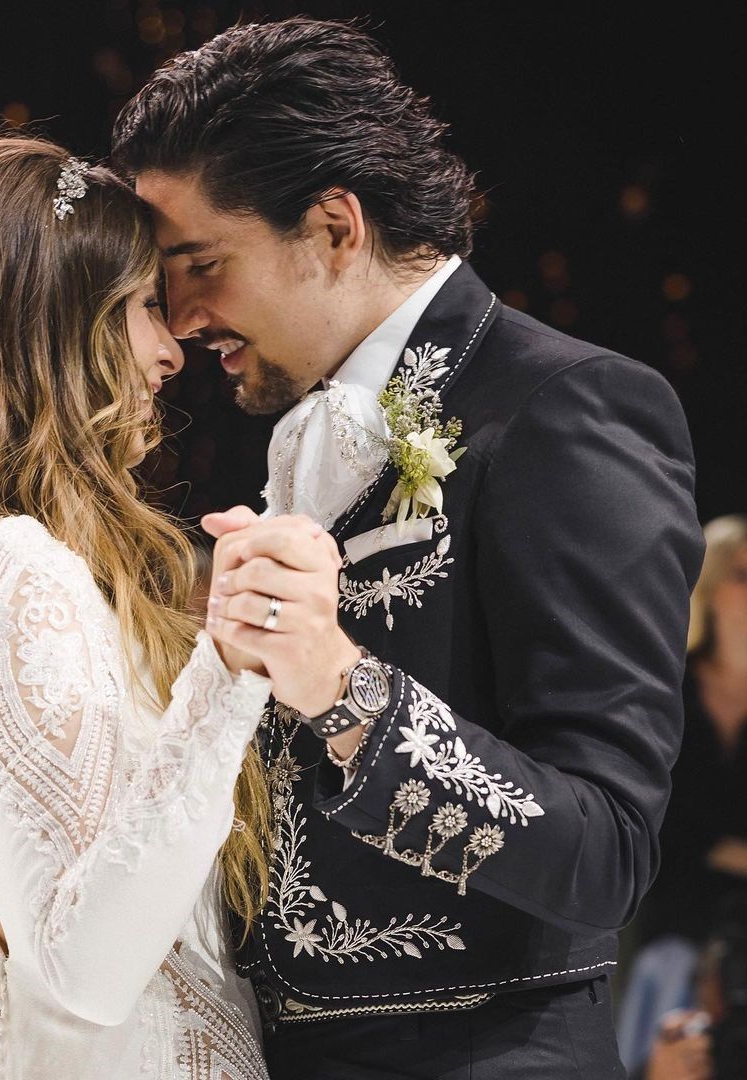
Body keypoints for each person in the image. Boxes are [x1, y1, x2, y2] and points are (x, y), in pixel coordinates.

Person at [112, 17, 705, 1078]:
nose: (181, 313)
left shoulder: (566, 409)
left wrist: (344, 690)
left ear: (336, 226)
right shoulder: (295, 431)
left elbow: (608, 853)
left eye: (200, 264)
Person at [0, 134, 343, 1078]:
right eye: (135, 309)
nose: (169, 352)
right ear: (47, 327)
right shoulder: (10, 566)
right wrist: (234, 660)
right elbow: (87, 969)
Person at [617, 514, 747, 1075]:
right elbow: (651, 817)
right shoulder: (668, 691)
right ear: (713, 588)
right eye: (743, 575)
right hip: (663, 916)